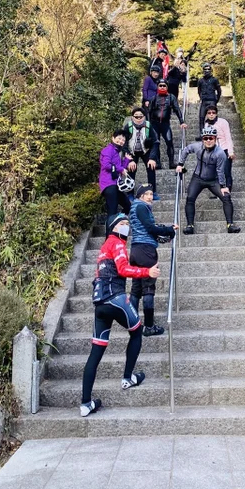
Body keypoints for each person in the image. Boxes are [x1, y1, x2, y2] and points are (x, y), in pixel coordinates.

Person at [80, 213, 160, 417]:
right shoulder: (115, 243)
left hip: (100, 304)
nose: (127, 227)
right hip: (115, 298)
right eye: (123, 224)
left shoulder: (104, 247)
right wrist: (146, 273)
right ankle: (127, 377)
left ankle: (85, 403)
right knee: (137, 331)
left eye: (127, 223)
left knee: (96, 352)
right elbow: (123, 269)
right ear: (114, 227)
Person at [129, 185, 177, 336]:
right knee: (148, 288)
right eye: (146, 194)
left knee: (136, 288)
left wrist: (162, 232)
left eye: (151, 194)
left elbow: (147, 228)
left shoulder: (136, 207)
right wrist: (169, 229)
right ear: (140, 196)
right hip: (145, 251)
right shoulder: (141, 207)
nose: (150, 197)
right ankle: (149, 326)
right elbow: (150, 228)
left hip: (136, 249)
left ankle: (132, 322)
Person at [177, 126, 241, 234]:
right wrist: (180, 164)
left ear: (215, 139)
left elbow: (220, 171)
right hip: (198, 178)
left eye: (211, 138)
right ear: (202, 139)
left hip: (213, 180)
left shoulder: (220, 153)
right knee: (190, 198)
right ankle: (190, 225)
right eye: (205, 138)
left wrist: (223, 186)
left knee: (226, 197)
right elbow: (186, 150)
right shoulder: (197, 147)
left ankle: (230, 224)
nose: (208, 141)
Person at [149, 79, 187, 169]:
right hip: (154, 124)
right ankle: (157, 163)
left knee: (169, 141)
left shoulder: (171, 97)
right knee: (155, 143)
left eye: (164, 86)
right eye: (160, 85)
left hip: (165, 124)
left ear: (167, 87)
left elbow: (177, 109)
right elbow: (149, 111)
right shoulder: (154, 98)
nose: (162, 87)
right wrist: (147, 124)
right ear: (158, 87)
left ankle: (171, 162)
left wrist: (181, 121)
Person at [124, 107, 160, 198]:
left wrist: (152, 158)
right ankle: (130, 193)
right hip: (132, 151)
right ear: (132, 117)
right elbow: (123, 144)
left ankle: (153, 192)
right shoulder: (128, 127)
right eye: (136, 117)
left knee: (151, 168)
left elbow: (156, 142)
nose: (139, 119)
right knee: (131, 169)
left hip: (145, 151)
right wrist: (129, 158)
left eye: (141, 116)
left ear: (144, 117)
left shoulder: (148, 125)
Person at [99, 130, 134, 217]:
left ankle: (118, 221)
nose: (121, 141)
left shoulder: (116, 152)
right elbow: (106, 165)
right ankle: (110, 229)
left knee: (128, 206)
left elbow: (120, 167)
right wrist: (121, 169)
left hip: (116, 185)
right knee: (112, 211)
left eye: (123, 140)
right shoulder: (108, 150)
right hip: (108, 184)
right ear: (113, 138)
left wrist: (126, 160)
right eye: (119, 138)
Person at [204, 104, 235, 190]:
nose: (211, 114)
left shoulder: (223, 122)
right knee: (215, 172)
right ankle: (218, 191)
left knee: (226, 171)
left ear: (216, 114)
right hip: (213, 151)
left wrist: (230, 151)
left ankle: (227, 190)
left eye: (213, 112)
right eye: (209, 113)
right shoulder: (206, 124)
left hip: (224, 149)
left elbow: (228, 136)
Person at [197, 62, 222, 132]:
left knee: (213, 117)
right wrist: (201, 97)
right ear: (203, 70)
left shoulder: (214, 80)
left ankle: (214, 131)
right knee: (201, 117)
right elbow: (199, 90)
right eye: (205, 69)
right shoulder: (200, 80)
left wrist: (216, 99)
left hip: (212, 101)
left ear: (211, 70)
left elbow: (219, 91)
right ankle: (202, 133)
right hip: (204, 101)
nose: (207, 71)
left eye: (208, 69)